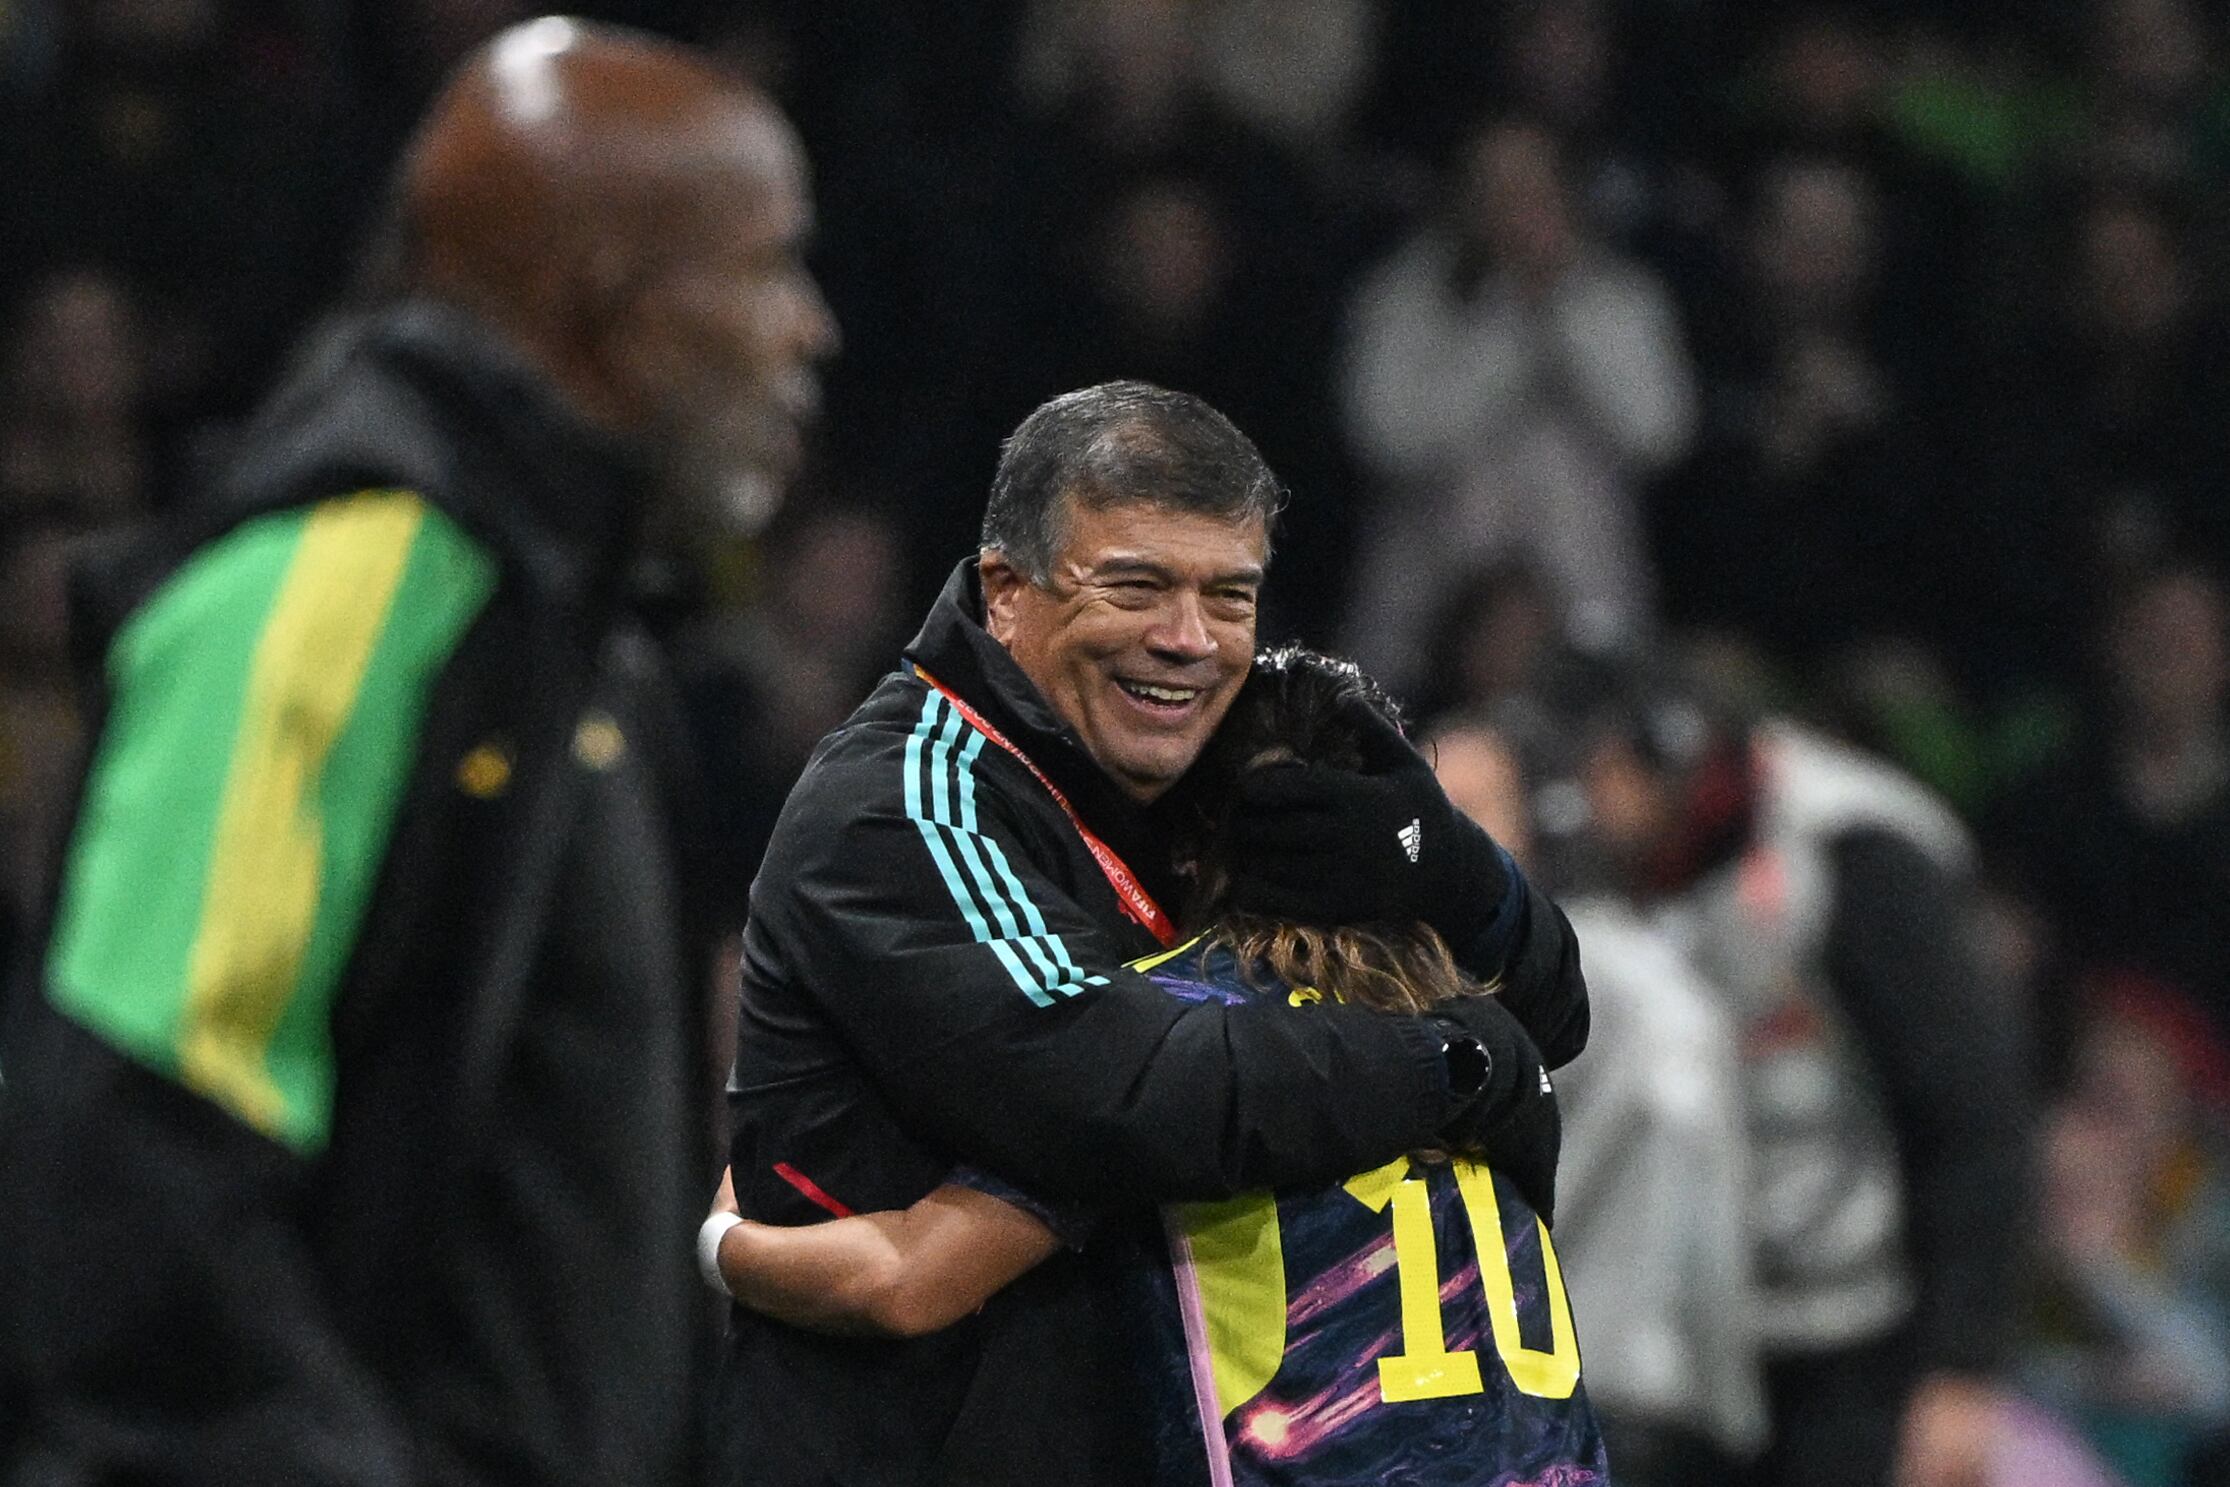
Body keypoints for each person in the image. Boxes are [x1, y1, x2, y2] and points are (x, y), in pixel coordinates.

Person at [0, 18, 836, 1485]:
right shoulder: (336, 585)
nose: (805, 329)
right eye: (766, 266)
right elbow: (131, 1182)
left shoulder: (571, 629)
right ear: (614, 304)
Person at [713, 380, 1587, 1485]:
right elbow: (1116, 1091)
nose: (1186, 640)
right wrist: (1455, 1059)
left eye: (1230, 595)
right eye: (1136, 585)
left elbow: (1554, 1001)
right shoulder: (908, 796)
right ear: (1007, 590)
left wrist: (1436, 854)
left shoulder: (1233, 757)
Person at [1532, 651, 2031, 1487]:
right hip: (1700, 1331)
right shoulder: (1611, 863)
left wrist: (1962, 1365)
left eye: (1608, 766)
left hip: (1857, 1337)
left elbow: (1973, 1111)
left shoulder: (1851, 851)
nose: (1591, 795)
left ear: (1672, 754)